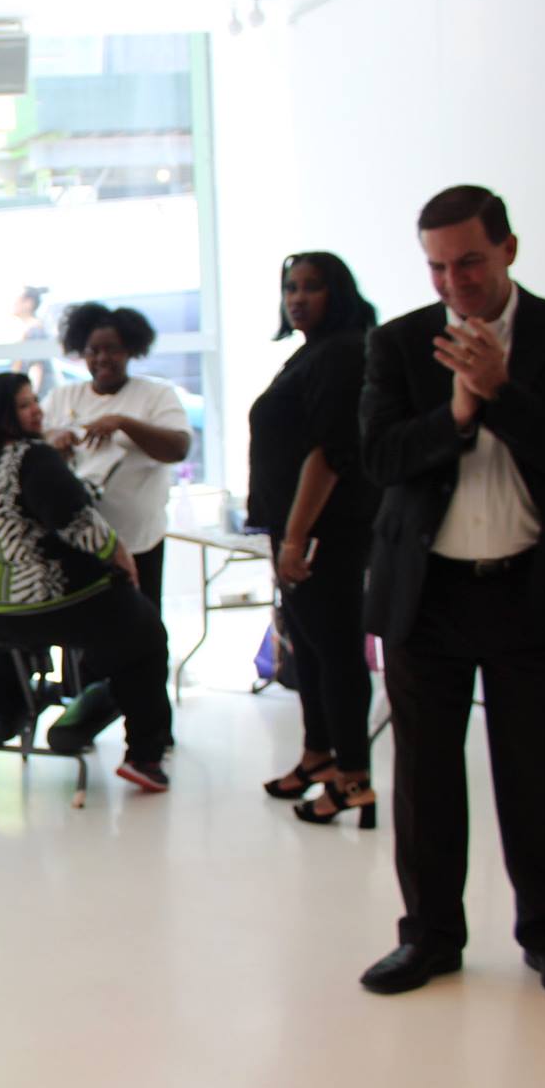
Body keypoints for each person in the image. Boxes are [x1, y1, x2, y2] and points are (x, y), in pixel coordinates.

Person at [358, 186, 545, 1006]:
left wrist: (501, 389)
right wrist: (459, 411)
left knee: (542, 780)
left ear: (508, 248)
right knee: (425, 782)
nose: (453, 281)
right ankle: (429, 937)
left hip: (535, 590)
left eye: (468, 261)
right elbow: (381, 459)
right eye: (436, 266)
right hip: (427, 595)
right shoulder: (398, 344)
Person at [0, 371, 173, 792]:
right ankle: (143, 755)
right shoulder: (32, 458)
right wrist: (119, 555)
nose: (37, 411)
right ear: (2, 415)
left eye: (35, 401)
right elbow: (76, 520)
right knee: (143, 634)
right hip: (43, 602)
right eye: (24, 405)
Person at [245, 253, 379, 825]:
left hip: (324, 533)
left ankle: (353, 779)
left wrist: (296, 538)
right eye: (290, 287)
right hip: (295, 530)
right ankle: (318, 755)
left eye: (311, 287)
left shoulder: (344, 352)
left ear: (338, 293)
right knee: (311, 648)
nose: (297, 298)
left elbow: (330, 453)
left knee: (337, 653)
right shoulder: (312, 352)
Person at [39, 303, 190, 751]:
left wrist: (123, 422)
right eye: (93, 351)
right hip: (82, 545)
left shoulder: (155, 396)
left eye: (112, 350)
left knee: (143, 638)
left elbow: (178, 447)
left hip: (139, 541)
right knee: (85, 638)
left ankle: (150, 731)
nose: (102, 359)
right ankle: (82, 723)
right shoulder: (64, 398)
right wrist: (53, 441)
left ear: (131, 350)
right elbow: (32, 452)